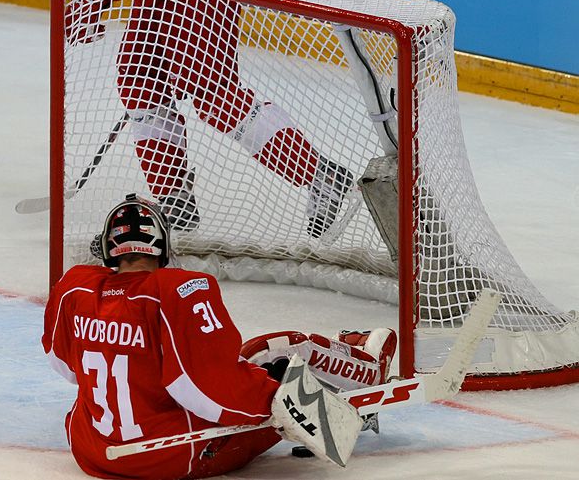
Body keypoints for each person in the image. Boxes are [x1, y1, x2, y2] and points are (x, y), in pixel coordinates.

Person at [43, 194, 396, 479]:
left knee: (245, 365)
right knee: (275, 353)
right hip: (169, 456)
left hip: (91, 450)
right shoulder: (174, 289)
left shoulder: (75, 288)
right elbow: (208, 388)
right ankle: (367, 377)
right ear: (162, 245)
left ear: (108, 248)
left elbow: (66, 365)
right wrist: (281, 400)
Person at [65, 0, 354, 238]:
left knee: (214, 93)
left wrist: (87, 5)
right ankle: (174, 197)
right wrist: (87, 4)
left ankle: (321, 175)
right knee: (139, 79)